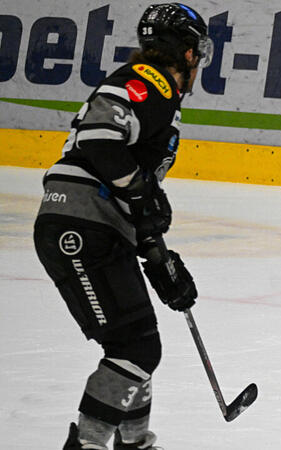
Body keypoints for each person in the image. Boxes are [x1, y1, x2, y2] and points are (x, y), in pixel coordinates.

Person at [32, 3, 213, 448]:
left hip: (93, 224)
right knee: (135, 348)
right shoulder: (148, 81)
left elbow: (133, 193)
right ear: (187, 53)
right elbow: (98, 139)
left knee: (138, 345)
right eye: (196, 51)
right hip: (81, 224)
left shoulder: (156, 93)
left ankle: (134, 443)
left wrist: (158, 255)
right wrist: (140, 190)